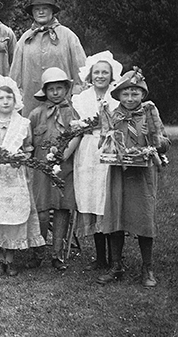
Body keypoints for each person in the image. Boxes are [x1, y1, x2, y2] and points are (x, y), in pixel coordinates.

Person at [97, 70, 170, 287]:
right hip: (118, 172)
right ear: (118, 96)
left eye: (135, 94)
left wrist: (152, 137)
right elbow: (104, 141)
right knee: (116, 215)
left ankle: (147, 268)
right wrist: (108, 142)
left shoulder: (149, 112)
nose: (130, 99)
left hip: (142, 174)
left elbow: (164, 143)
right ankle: (116, 265)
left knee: (144, 217)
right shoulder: (112, 114)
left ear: (142, 95)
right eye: (125, 94)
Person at [0, 84, 45, 276]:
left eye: (9, 98)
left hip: (14, 175)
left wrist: (22, 157)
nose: (5, 102)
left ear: (15, 101)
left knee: (14, 215)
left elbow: (28, 148)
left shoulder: (23, 124)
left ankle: (10, 258)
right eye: (1, 98)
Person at [71, 51, 122, 271]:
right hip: (88, 150)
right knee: (92, 200)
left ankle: (116, 260)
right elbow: (76, 127)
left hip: (110, 150)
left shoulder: (118, 98)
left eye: (105, 72)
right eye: (96, 72)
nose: (100, 76)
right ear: (90, 75)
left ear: (111, 76)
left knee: (107, 200)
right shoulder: (81, 99)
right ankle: (100, 258)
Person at [28, 67, 81, 270]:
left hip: (64, 169)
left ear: (66, 89)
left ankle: (57, 253)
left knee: (61, 209)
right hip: (41, 169)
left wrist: (62, 157)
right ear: (45, 91)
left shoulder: (72, 113)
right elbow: (29, 142)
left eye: (60, 88)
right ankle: (38, 251)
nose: (56, 93)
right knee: (41, 211)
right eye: (51, 89)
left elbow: (78, 136)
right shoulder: (36, 114)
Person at [10, 0, 86, 116]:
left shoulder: (67, 35)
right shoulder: (25, 39)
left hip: (62, 101)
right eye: (37, 9)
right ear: (32, 13)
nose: (41, 12)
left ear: (52, 11)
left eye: (45, 8)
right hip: (31, 102)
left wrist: (77, 94)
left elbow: (81, 69)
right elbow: (15, 74)